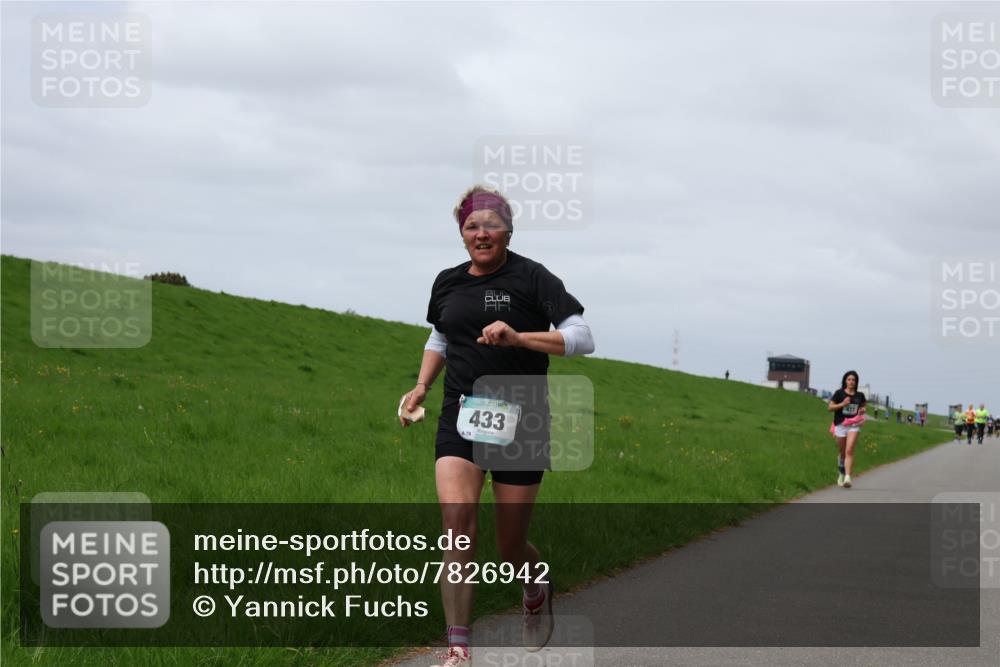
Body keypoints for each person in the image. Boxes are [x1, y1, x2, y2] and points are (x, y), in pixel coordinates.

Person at [400, 185, 595, 667]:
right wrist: (421, 386)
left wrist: (520, 338)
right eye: (472, 225)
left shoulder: (533, 277)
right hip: (461, 413)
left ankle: (535, 586)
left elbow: (582, 337)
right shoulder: (447, 282)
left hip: (522, 417)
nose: (481, 233)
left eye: (491, 224)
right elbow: (440, 336)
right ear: (461, 233)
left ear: (508, 230)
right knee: (457, 529)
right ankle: (458, 647)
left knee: (509, 546)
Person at [828, 370, 867, 488]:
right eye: (849, 379)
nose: (851, 382)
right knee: (842, 452)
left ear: (856, 382)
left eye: (853, 380)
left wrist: (862, 410)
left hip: (854, 425)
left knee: (849, 450)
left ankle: (848, 477)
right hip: (840, 425)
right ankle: (841, 472)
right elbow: (830, 408)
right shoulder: (839, 393)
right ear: (845, 381)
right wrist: (842, 404)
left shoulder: (860, 396)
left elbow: (863, 407)